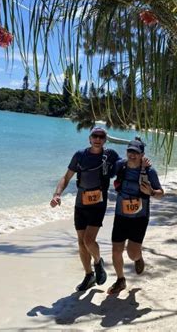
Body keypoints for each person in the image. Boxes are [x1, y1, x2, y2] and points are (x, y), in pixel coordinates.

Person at [50, 126, 121, 291]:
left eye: (101, 136)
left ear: (105, 139)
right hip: (81, 202)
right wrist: (57, 194)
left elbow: (126, 166)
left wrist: (142, 161)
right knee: (81, 243)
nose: (97, 139)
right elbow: (66, 177)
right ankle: (89, 275)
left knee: (89, 240)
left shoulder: (110, 155)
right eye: (95, 136)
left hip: (98, 203)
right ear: (89, 138)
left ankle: (97, 262)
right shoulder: (80, 155)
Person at [107, 138, 164, 294]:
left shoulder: (149, 171)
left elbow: (161, 194)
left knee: (132, 253)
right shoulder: (121, 165)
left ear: (142, 154)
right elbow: (106, 168)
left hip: (139, 218)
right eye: (130, 151)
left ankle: (138, 258)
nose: (132, 155)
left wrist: (151, 192)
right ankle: (120, 280)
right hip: (121, 215)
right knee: (116, 250)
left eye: (136, 152)